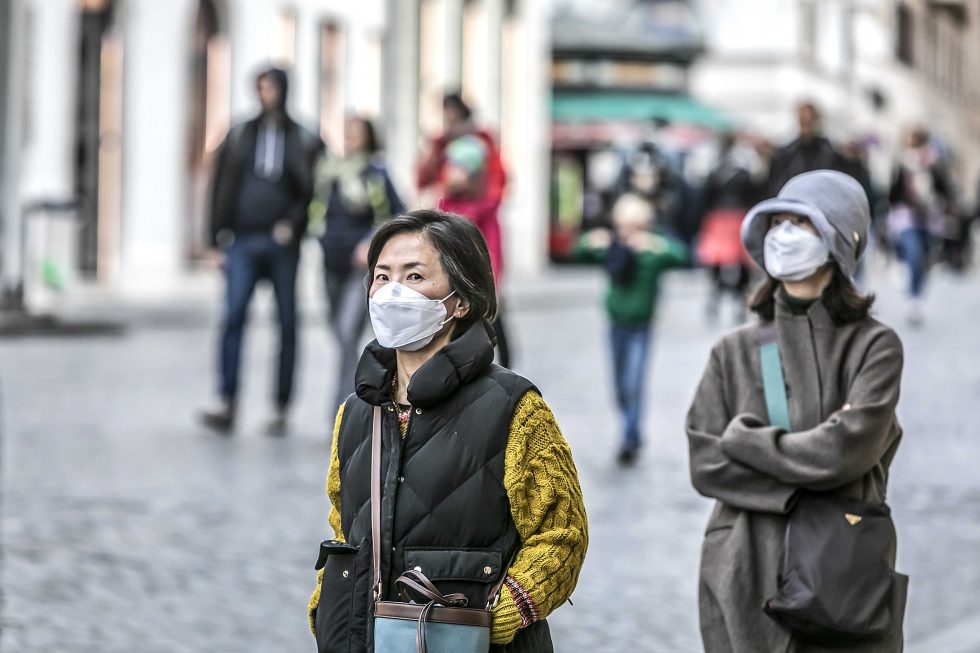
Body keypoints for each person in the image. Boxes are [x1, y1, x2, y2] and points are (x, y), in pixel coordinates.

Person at [308, 210, 588, 652]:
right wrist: (330, 613)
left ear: (461, 301)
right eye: (382, 277)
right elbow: (345, 529)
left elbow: (562, 534)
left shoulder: (514, 408)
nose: (392, 292)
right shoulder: (356, 413)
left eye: (415, 275)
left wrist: (495, 617)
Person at [687, 170, 906, 652]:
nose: (784, 235)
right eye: (778, 222)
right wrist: (810, 466)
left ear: (837, 240)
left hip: (843, 574)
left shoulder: (876, 347)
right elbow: (706, 462)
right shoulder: (733, 351)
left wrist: (746, 442)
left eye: (800, 224)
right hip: (744, 570)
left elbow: (845, 451)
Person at [200, 67, 323, 434]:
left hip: (282, 244)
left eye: (270, 87)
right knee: (233, 317)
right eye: (260, 87)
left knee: (287, 323)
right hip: (242, 240)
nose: (265, 94)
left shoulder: (303, 138)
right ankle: (227, 400)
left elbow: (316, 189)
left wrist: (295, 225)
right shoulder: (239, 134)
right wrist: (213, 239)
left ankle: (281, 406)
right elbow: (220, 184)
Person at [576, 193, 688, 465]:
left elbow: (683, 255)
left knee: (634, 382)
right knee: (619, 385)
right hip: (615, 324)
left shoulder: (652, 250)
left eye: (635, 226)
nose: (628, 232)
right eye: (623, 226)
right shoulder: (614, 249)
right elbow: (578, 251)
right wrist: (592, 240)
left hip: (641, 326)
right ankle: (631, 430)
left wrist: (655, 244)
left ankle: (630, 435)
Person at [312, 115, 405, 411]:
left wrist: (371, 242)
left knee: (346, 332)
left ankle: (343, 407)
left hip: (359, 270)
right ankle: (357, 399)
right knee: (338, 333)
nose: (349, 138)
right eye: (346, 132)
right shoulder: (331, 171)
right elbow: (316, 208)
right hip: (330, 262)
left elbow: (397, 212)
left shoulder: (376, 173)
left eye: (355, 133)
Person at [418, 92, 513, 367]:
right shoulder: (441, 151)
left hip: (480, 268)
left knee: (492, 318)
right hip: (452, 269)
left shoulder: (481, 145)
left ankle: (499, 365)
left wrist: (490, 280)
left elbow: (491, 243)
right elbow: (423, 178)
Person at [887, 127, 951, 325]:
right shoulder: (902, 165)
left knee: (924, 259)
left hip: (930, 219)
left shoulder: (934, 163)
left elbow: (944, 189)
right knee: (914, 252)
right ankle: (912, 295)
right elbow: (892, 194)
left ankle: (918, 298)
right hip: (907, 218)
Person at [696, 133, 761, 324]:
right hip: (734, 217)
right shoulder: (742, 169)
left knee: (720, 263)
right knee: (736, 262)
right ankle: (733, 302)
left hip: (720, 218)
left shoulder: (714, 170)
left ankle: (718, 301)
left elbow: (704, 199)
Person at [767, 102, 848, 195]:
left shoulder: (831, 154)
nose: (806, 127)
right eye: (803, 122)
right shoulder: (786, 155)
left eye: (809, 122)